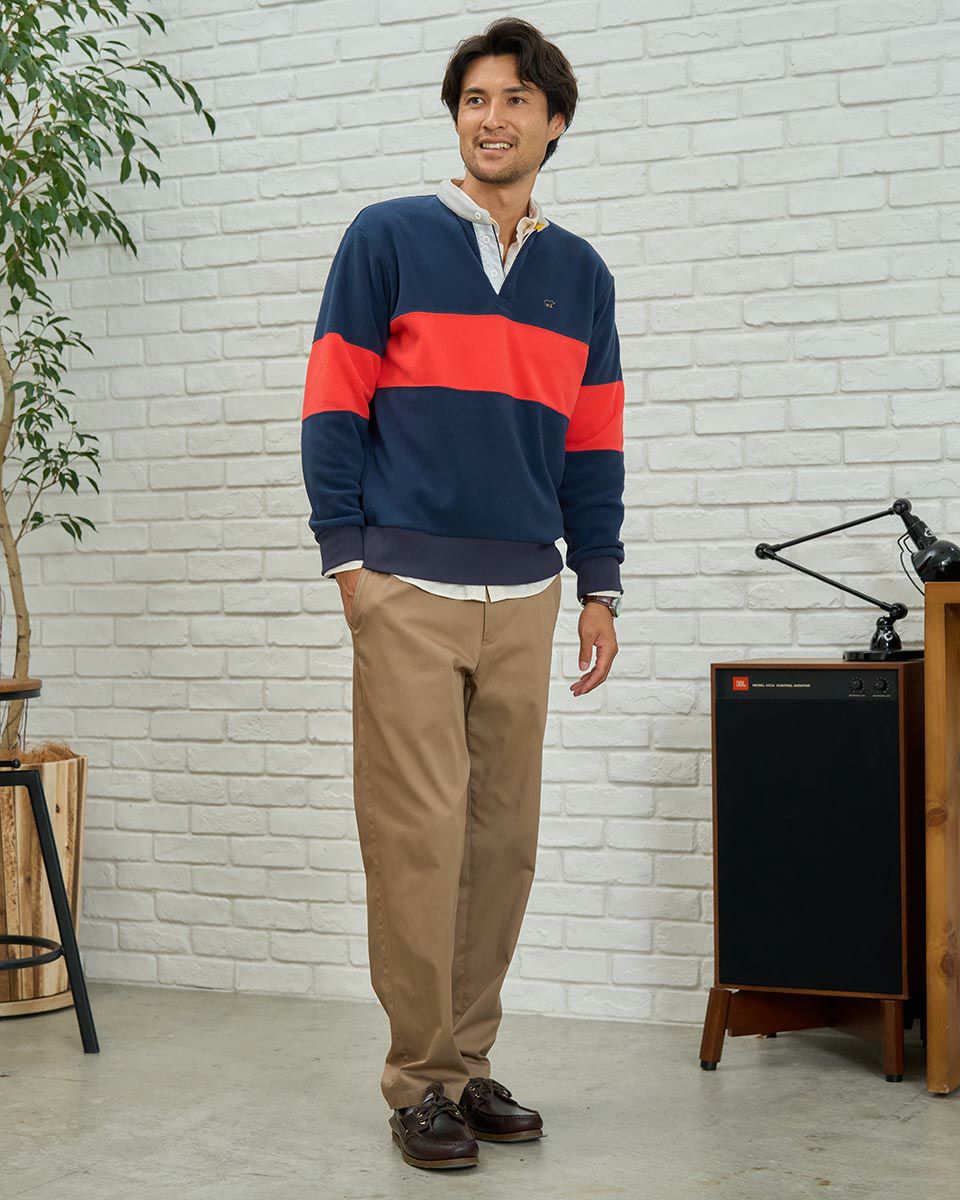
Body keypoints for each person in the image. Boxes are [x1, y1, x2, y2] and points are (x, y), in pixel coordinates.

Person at [300, 16, 625, 1172]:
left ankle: (470, 1062)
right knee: (419, 840)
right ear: (457, 118)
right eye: (475, 99)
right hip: (404, 584)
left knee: (503, 843)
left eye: (516, 99)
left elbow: (593, 444)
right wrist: (348, 560)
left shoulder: (582, 276)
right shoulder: (387, 237)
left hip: (529, 589)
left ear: (555, 122)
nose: (492, 117)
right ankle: (420, 1080)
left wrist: (601, 584)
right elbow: (333, 401)